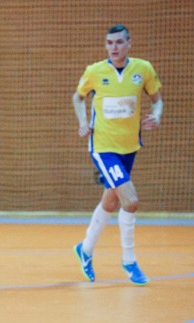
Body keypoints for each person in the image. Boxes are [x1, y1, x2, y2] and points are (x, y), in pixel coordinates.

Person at [72, 24, 163, 286]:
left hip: (130, 147)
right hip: (103, 148)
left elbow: (157, 100)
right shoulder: (95, 71)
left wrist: (156, 116)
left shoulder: (143, 70)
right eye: (110, 43)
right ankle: (129, 260)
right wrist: (82, 122)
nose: (114, 47)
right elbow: (78, 98)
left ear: (128, 44)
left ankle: (85, 249)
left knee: (111, 202)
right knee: (130, 200)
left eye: (119, 42)